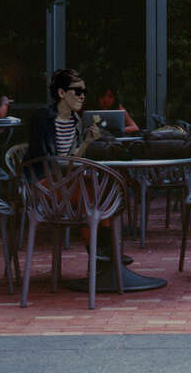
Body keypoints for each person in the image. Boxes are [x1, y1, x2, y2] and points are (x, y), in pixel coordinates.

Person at [26, 67, 130, 265]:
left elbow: (70, 158)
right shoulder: (43, 118)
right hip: (41, 185)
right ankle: (101, 253)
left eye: (84, 91)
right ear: (61, 93)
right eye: (77, 91)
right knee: (90, 191)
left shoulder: (75, 121)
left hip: (62, 181)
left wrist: (86, 143)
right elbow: (49, 160)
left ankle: (104, 251)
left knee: (105, 188)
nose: (82, 96)